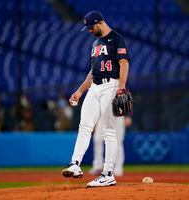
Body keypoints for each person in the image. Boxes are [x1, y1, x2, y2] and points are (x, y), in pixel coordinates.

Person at [61, 11, 130, 187]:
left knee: (108, 130)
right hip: (95, 87)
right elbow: (93, 72)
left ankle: (108, 173)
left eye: (91, 27)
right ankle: (75, 164)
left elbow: (124, 63)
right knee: (84, 126)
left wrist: (121, 88)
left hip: (111, 85)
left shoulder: (117, 39)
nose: (89, 30)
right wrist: (79, 91)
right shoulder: (95, 43)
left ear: (100, 23)